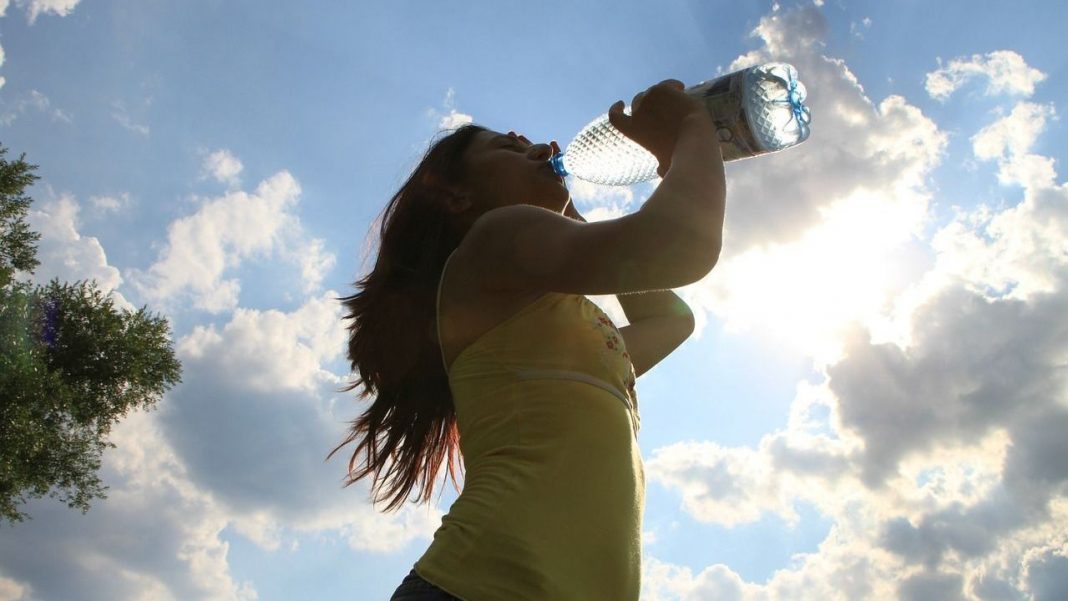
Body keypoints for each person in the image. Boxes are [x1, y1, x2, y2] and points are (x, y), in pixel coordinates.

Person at [328, 79, 726, 601]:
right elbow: (679, 246)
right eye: (509, 147)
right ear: (457, 195)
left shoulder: (567, 337)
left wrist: (576, 214)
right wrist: (694, 127)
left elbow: (672, 320)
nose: (541, 146)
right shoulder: (493, 239)